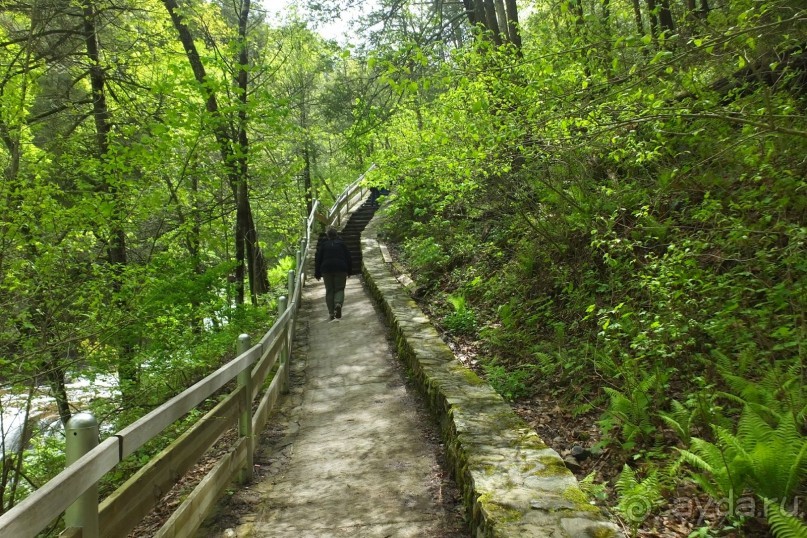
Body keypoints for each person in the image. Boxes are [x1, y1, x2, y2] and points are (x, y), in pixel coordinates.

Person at [314, 226, 353, 320]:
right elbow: (348, 257)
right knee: (339, 289)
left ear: (327, 235)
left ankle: (331, 313)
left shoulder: (323, 245)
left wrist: (317, 273)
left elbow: (318, 259)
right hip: (341, 268)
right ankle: (338, 303)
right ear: (336, 234)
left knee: (329, 290)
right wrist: (350, 270)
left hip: (326, 269)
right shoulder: (342, 244)